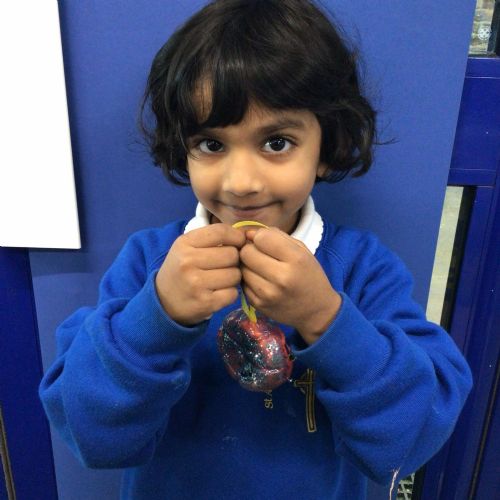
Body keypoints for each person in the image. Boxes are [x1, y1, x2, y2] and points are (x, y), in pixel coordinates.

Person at [39, 1, 472, 499]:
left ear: (326, 147)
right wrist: (156, 317)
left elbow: (409, 442)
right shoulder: (149, 263)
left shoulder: (363, 269)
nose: (241, 182)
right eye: (211, 144)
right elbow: (92, 438)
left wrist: (325, 317)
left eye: (277, 143)